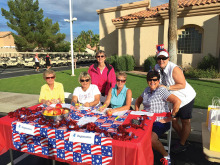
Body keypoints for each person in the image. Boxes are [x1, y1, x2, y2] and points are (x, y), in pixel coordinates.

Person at [154, 48, 196, 154]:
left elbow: (182, 84)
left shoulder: (174, 69)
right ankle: (184, 140)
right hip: (173, 99)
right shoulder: (157, 67)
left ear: (168, 58)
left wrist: (166, 87)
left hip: (185, 98)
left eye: (164, 58)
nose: (161, 60)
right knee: (173, 120)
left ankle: (182, 143)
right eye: (159, 58)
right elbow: (155, 78)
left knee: (185, 121)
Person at [135, 71, 181, 165]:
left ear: (158, 80)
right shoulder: (146, 90)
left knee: (151, 139)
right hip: (146, 120)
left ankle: (166, 155)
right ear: (147, 81)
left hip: (160, 121)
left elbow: (177, 101)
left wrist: (171, 117)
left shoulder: (161, 90)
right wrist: (137, 113)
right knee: (134, 133)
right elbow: (137, 102)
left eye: (155, 80)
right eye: (150, 80)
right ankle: (140, 154)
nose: (152, 82)